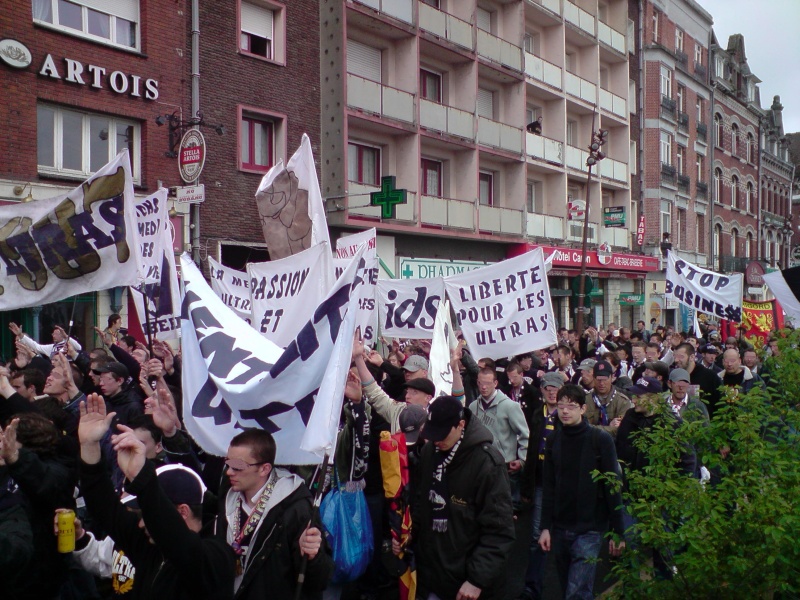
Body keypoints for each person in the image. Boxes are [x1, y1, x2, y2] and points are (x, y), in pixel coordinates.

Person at [77, 393, 237, 599]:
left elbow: (178, 543)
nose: (142, 524)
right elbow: (104, 507)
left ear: (182, 511)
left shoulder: (215, 556)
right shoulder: (149, 545)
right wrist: (89, 446)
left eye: (147, 515)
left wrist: (141, 477)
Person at [409, 395, 515, 599]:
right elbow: (421, 502)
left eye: (442, 435)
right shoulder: (431, 451)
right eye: (432, 434)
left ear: (461, 425)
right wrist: (410, 533)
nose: (436, 440)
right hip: (429, 572)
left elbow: (499, 531)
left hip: (463, 580)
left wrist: (477, 580)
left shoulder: (487, 464)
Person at [217, 428, 334, 599]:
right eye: (227, 464)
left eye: (238, 466)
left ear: (264, 469)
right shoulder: (228, 493)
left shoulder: (297, 507)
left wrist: (312, 556)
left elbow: (319, 582)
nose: (229, 472)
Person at [538, 384, 625, 599]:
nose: (565, 411)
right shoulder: (553, 440)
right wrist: (544, 527)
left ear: (583, 409)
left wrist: (618, 530)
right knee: (567, 584)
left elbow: (612, 485)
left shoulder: (600, 440)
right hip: (560, 525)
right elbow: (548, 485)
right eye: (561, 406)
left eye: (571, 406)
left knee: (577, 590)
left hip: (590, 527)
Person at [519, 373, 563, 600]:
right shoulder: (537, 414)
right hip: (540, 482)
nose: (551, 392)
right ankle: (532, 587)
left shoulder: (567, 416)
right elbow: (530, 450)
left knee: (565, 536)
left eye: (555, 388)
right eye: (548, 388)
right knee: (537, 535)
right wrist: (527, 486)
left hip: (563, 485)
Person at [469, 367, 530, 511]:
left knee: (507, 509)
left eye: (488, 383)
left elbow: (525, 434)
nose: (484, 387)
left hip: (505, 466)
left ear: (495, 383)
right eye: (480, 383)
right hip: (480, 466)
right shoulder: (473, 407)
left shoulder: (510, 406)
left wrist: (522, 459)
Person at [583, 361, 632, 438]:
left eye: (605, 379)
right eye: (598, 379)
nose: (601, 383)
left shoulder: (622, 401)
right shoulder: (585, 400)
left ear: (612, 377)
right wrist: (609, 427)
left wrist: (592, 428)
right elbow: (582, 428)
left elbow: (620, 430)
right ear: (593, 378)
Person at [670, 343, 720, 417]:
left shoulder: (709, 376)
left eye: (681, 357)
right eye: (675, 356)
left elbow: (720, 402)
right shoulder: (673, 376)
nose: (676, 360)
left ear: (692, 357)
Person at [9, 322, 83, 359]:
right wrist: (20, 335)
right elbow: (36, 346)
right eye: (53, 334)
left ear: (62, 334)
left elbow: (79, 347)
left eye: (56, 334)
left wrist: (67, 337)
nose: (53, 336)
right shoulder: (52, 347)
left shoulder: (69, 345)